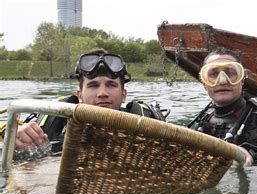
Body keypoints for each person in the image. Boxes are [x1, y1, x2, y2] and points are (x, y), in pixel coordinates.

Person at [12, 48, 167, 153]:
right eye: (93, 85)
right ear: (79, 95)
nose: (102, 93)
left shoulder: (146, 125)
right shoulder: (54, 125)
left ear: (124, 94)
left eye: (111, 85)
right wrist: (15, 142)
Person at [189, 47, 257, 164]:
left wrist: (254, 155)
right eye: (213, 74)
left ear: (242, 80)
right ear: (204, 84)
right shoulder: (200, 123)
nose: (222, 81)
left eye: (230, 73)